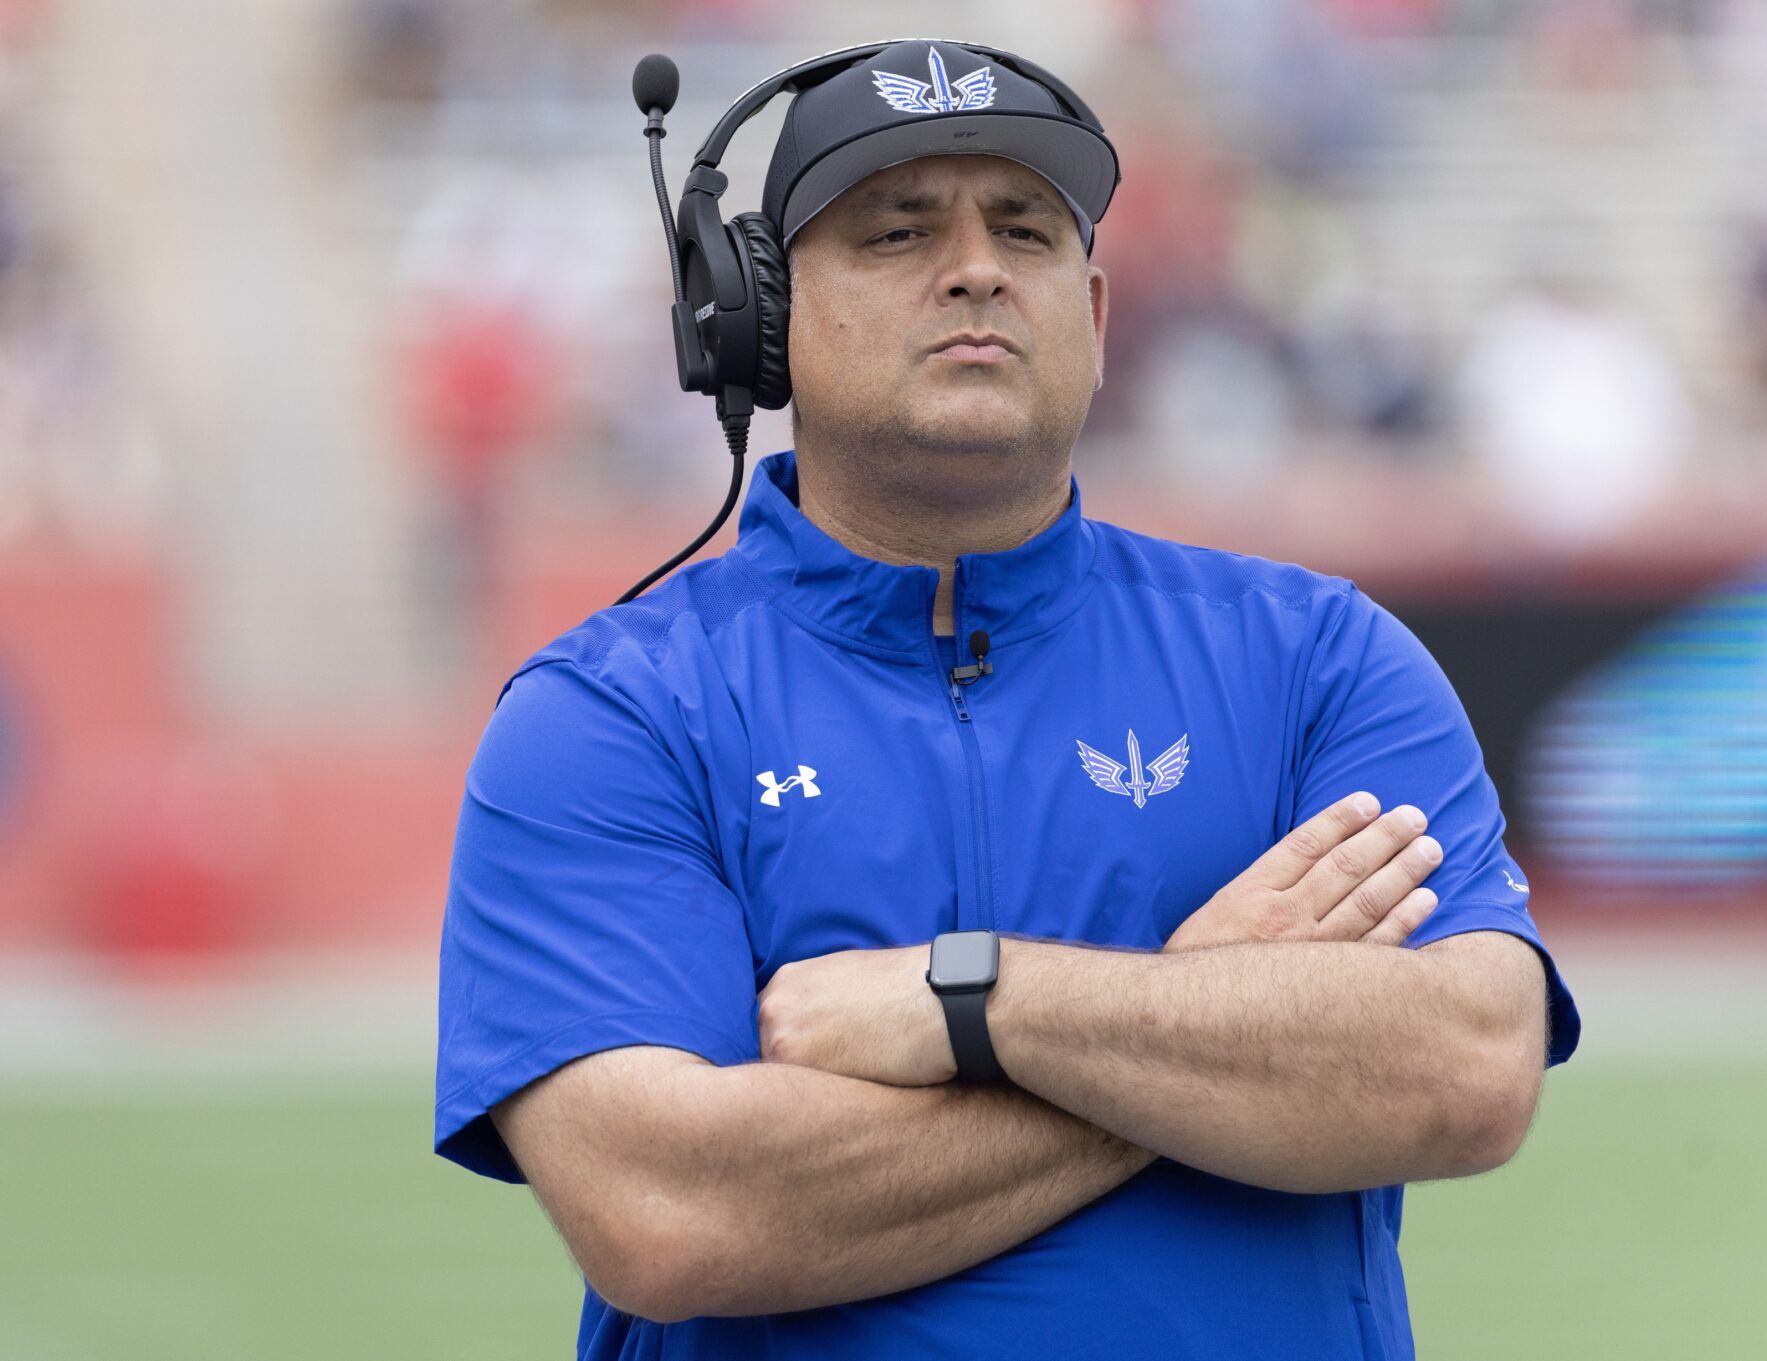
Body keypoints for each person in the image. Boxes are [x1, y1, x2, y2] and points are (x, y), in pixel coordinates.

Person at [433, 38, 1581, 1360]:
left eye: (1025, 230)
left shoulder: (1318, 656)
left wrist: (971, 1002)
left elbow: (1460, 1072)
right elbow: (672, 1211)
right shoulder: (609, 715)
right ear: (754, 320)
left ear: (1093, 319)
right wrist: (1203, 1011)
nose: (975, 265)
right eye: (896, 230)